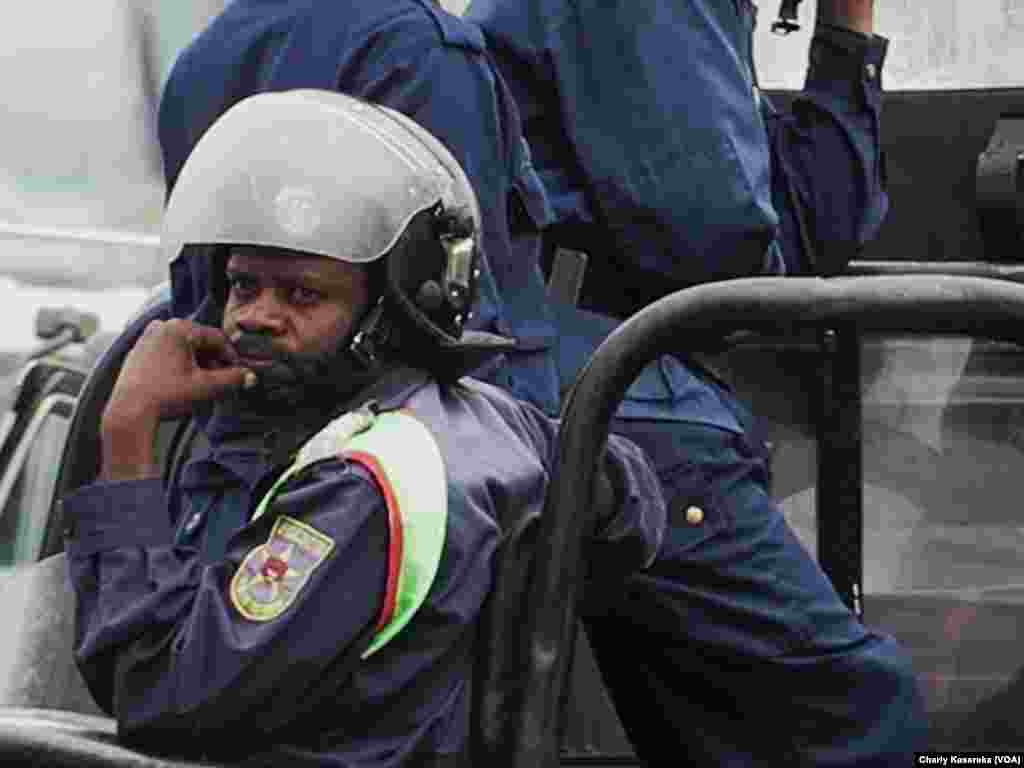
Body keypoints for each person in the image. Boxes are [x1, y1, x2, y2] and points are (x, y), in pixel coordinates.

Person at [156, 0, 926, 763]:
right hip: (569, 400)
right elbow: (704, 254)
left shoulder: (218, 50)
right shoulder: (433, 50)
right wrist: (570, 479)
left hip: (333, 431)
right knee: (850, 711)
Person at [64, 89, 666, 766]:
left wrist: (128, 436)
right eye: (244, 285)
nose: (256, 316)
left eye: (302, 294)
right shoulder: (470, 417)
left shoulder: (360, 485)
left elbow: (159, 697)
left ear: (399, 309)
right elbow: (629, 496)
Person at [461, 0, 928, 764]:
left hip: (626, 385)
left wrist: (844, 33)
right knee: (851, 714)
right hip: (615, 398)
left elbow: (813, 229)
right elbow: (726, 250)